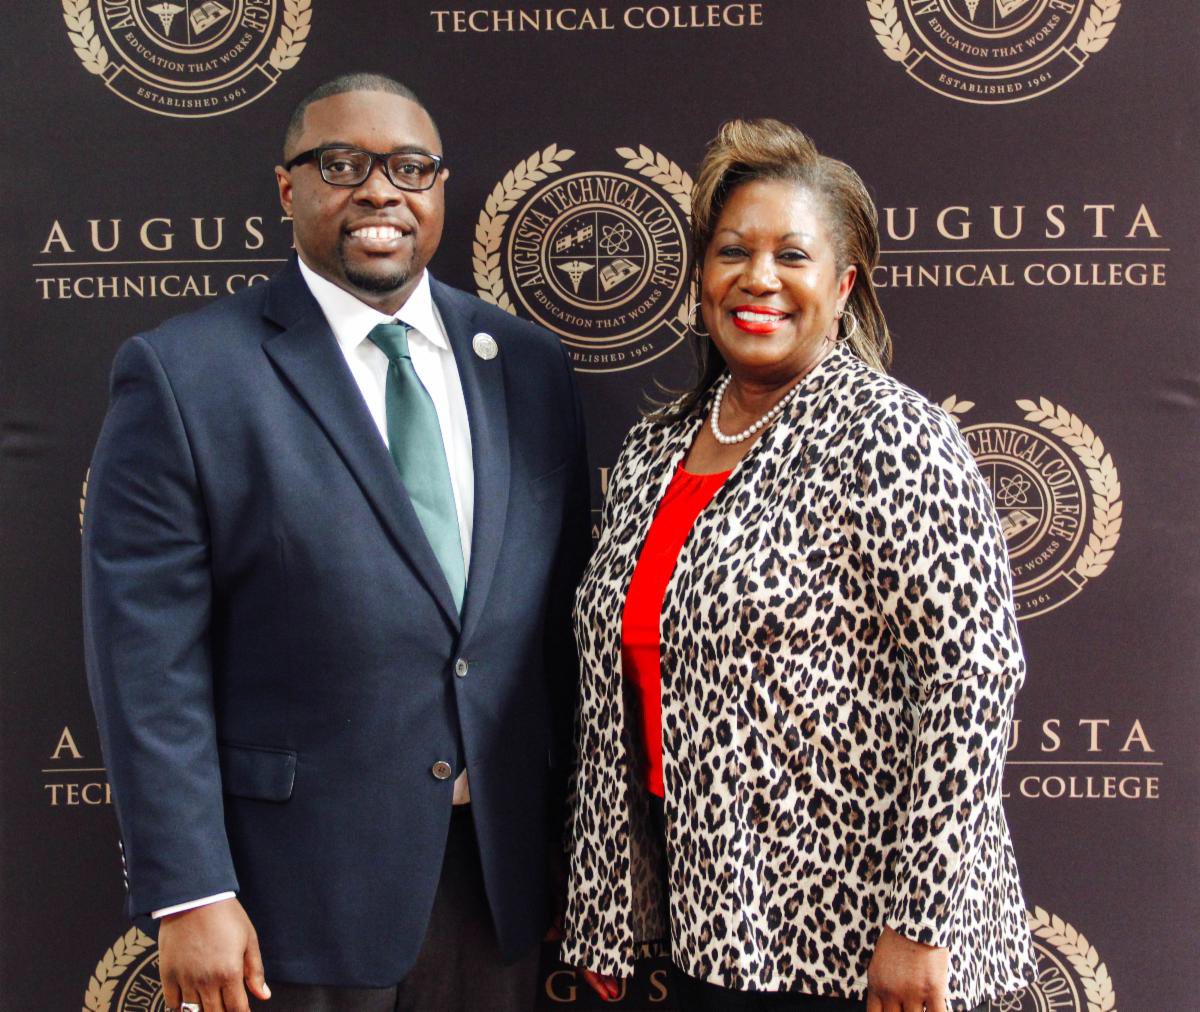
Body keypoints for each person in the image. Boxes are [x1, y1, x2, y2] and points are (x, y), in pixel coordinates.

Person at [82, 73, 590, 1012]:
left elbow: (556, 632)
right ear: (288, 188)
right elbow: (145, 660)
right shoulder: (187, 374)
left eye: (409, 168)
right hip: (291, 901)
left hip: (500, 887)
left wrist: (578, 857)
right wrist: (193, 889)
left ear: (439, 189)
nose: (379, 192)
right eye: (342, 165)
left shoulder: (526, 365)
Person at [560, 119, 1035, 1012]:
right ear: (702, 277)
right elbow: (622, 684)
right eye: (733, 251)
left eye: (793, 255)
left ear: (843, 284)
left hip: (856, 942)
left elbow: (973, 684)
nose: (759, 279)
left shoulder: (892, 436)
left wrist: (920, 924)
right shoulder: (653, 451)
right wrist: (607, 905)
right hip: (707, 921)